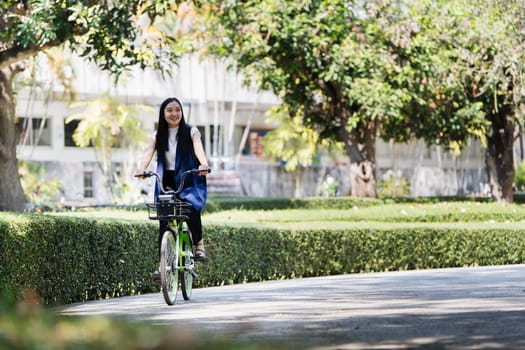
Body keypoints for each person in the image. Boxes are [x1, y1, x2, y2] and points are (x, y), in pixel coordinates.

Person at [135, 97, 210, 268]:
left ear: (182, 112)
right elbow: (148, 153)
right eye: (169, 110)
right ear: (163, 113)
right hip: (166, 178)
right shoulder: (158, 134)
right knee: (163, 217)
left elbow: (198, 147)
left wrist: (203, 163)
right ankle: (162, 266)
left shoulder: (191, 131)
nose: (174, 113)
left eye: (177, 109)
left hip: (188, 177)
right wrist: (141, 168)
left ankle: (199, 244)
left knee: (190, 207)